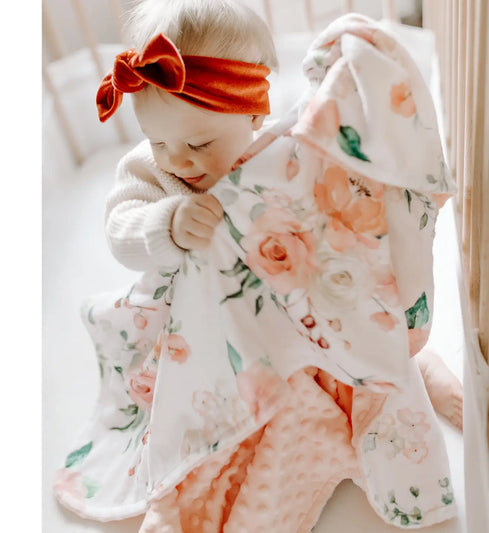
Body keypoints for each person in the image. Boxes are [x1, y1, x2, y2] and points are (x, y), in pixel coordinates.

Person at [56, 0, 462, 530]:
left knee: (350, 348)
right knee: (224, 416)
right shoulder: (150, 170)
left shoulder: (280, 158)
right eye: (159, 141)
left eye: (199, 143)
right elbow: (120, 231)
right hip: (198, 333)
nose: (179, 159)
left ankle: (412, 369)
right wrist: (167, 224)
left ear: (253, 115)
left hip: (296, 319)